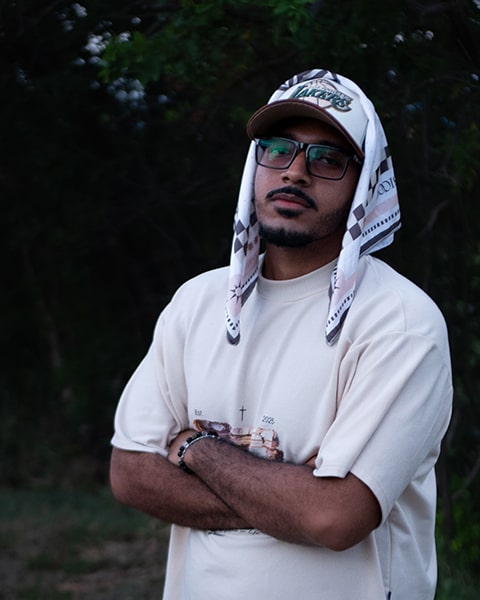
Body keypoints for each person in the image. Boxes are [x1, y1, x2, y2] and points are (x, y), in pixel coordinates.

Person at [110, 68, 453, 600]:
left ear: (365, 183)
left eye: (327, 159)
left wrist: (195, 448)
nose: (295, 172)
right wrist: (292, 498)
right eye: (277, 149)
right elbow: (130, 473)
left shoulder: (400, 323)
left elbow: (335, 518)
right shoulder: (197, 303)